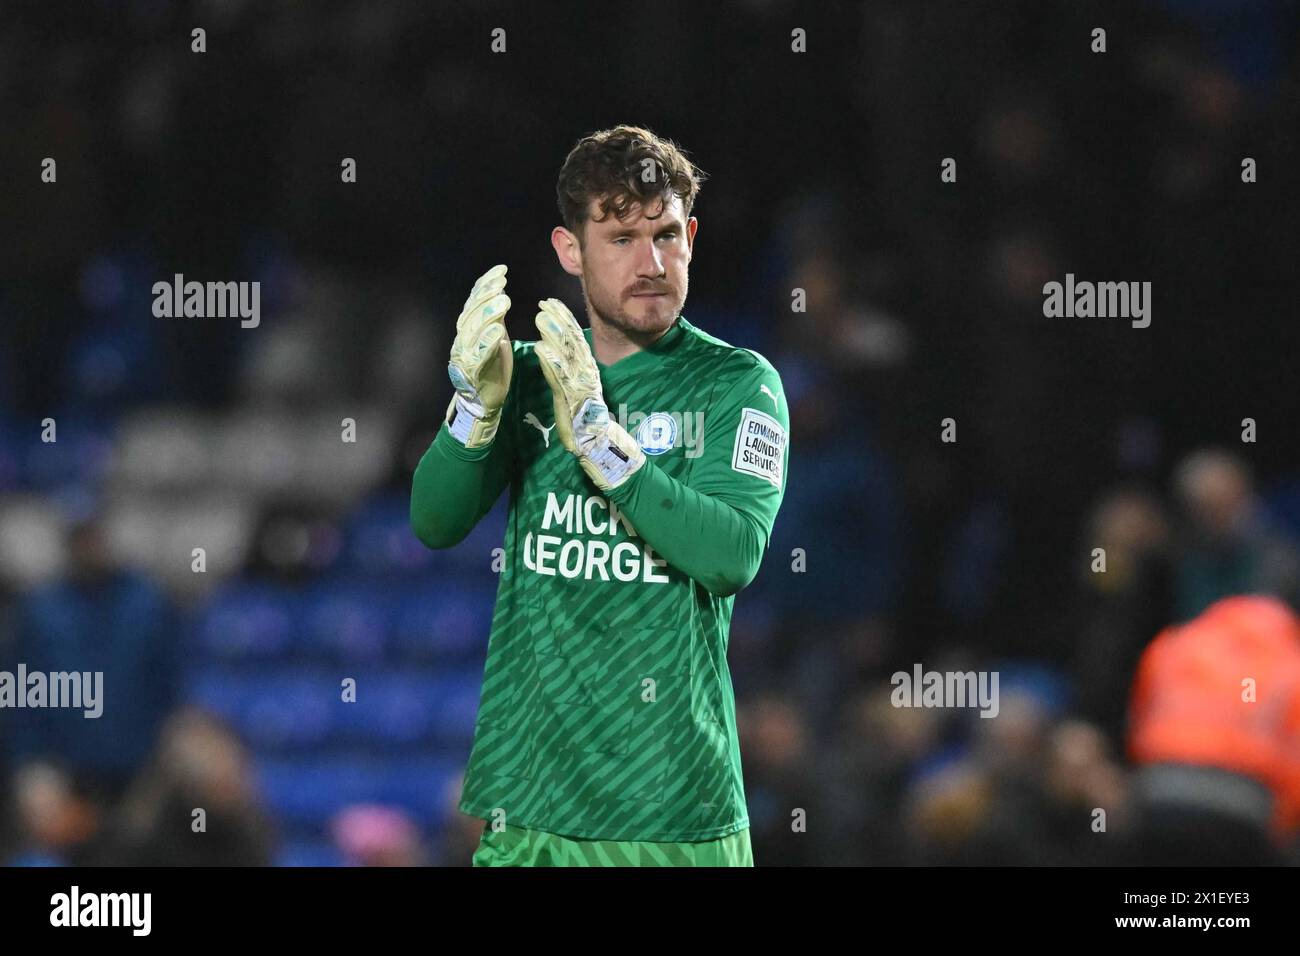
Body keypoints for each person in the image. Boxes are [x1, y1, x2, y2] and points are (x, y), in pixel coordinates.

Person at [410, 125, 790, 866]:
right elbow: (433, 521)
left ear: (693, 237)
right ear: (569, 249)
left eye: (668, 234)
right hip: (530, 808)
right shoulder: (523, 377)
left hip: (675, 813)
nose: (651, 263)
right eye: (621, 238)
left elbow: (732, 555)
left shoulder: (738, 384)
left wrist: (602, 446)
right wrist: (472, 412)